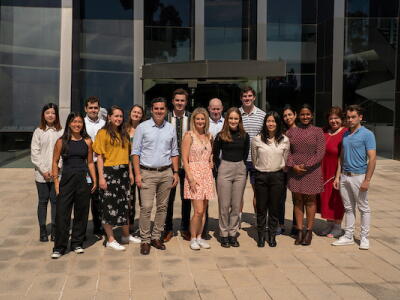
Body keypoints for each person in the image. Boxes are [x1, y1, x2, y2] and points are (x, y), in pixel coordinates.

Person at [132, 97, 179, 255]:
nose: (159, 111)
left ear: (166, 110)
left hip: (166, 173)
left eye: (162, 108)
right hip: (147, 173)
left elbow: (174, 152)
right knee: (145, 208)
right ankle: (145, 240)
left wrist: (176, 172)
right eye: (156, 108)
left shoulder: (171, 128)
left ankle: (156, 237)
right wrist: (137, 174)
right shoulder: (142, 128)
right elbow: (135, 152)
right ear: (151, 110)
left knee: (162, 207)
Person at [50, 112, 96, 258]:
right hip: (67, 180)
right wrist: (56, 182)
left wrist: (94, 180)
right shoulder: (61, 141)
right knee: (62, 214)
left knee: (81, 213)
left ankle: (77, 243)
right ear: (69, 123)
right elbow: (54, 162)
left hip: (83, 179)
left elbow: (89, 162)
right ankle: (59, 247)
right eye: (74, 122)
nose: (77, 124)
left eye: (80, 122)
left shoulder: (88, 141)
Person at [332, 105, 376, 250]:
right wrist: (337, 177)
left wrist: (367, 180)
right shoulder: (345, 134)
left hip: (359, 176)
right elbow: (342, 157)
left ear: (360, 118)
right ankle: (348, 236)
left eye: (353, 117)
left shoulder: (367, 134)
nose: (350, 120)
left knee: (363, 208)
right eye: (348, 117)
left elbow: (372, 158)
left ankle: (364, 237)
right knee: (348, 208)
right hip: (345, 176)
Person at [93, 106, 136, 251]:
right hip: (109, 173)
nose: (118, 119)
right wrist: (101, 178)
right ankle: (110, 239)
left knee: (125, 205)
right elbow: (99, 157)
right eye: (115, 116)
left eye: (120, 116)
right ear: (109, 117)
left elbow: (128, 156)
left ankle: (125, 235)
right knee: (108, 206)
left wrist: (130, 173)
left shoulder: (123, 133)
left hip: (123, 172)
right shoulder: (103, 133)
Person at [286, 104, 325, 246]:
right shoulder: (291, 132)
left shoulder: (318, 131)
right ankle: (300, 230)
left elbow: (320, 153)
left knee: (310, 201)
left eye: (308, 114)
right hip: (295, 171)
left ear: (312, 115)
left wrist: (306, 165)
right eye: (302, 114)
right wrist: (293, 165)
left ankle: (309, 231)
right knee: (297, 201)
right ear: (298, 115)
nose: (305, 117)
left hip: (312, 171)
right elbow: (287, 151)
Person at [252, 111, 289, 247]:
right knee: (261, 208)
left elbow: (285, 159)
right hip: (261, 176)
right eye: (268, 121)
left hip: (277, 176)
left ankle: (272, 236)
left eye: (273, 121)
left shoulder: (284, 140)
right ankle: (261, 236)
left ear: (278, 123)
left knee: (274, 208)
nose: (271, 124)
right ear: (265, 123)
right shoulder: (257, 139)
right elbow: (254, 158)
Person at [213, 108, 249, 248]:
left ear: (239, 120)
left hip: (240, 169)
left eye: (236, 119)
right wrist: (219, 171)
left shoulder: (245, 136)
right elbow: (215, 155)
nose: (233, 121)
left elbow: (246, 154)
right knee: (224, 205)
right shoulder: (221, 135)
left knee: (235, 205)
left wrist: (242, 167)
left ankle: (232, 234)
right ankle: (223, 234)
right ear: (227, 120)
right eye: (231, 118)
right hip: (225, 170)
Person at [181, 108, 215, 250]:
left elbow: (210, 153)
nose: (200, 121)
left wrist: (211, 160)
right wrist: (190, 178)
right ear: (193, 120)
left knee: (205, 209)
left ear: (206, 121)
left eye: (202, 119)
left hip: (206, 173)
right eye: (197, 119)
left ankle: (200, 237)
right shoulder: (189, 135)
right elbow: (184, 158)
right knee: (198, 210)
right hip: (194, 174)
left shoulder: (209, 136)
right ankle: (193, 238)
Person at [31, 103, 63, 242]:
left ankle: (55, 230)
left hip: (57, 174)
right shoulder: (38, 131)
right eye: (48, 113)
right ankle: (43, 230)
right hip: (41, 174)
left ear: (56, 115)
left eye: (53, 113)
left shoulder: (61, 131)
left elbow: (63, 152)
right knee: (43, 202)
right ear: (43, 115)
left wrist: (57, 168)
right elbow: (34, 153)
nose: (51, 115)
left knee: (56, 202)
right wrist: (44, 170)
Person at [163, 89, 192, 242]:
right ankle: (167, 229)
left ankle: (185, 228)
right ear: (173, 101)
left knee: (186, 198)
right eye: (177, 100)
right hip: (169, 165)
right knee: (169, 199)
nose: (180, 103)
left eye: (183, 100)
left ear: (186, 102)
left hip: (187, 166)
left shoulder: (192, 118)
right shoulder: (166, 118)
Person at [319, 107, 347, 238]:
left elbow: (343, 156)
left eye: (336, 118)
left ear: (342, 119)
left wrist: (338, 176)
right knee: (325, 198)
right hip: (323, 171)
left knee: (336, 200)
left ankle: (337, 226)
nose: (333, 121)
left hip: (335, 172)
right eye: (331, 118)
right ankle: (329, 224)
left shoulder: (345, 133)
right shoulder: (324, 132)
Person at [239, 87, 266, 220]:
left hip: (257, 160)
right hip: (240, 160)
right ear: (241, 98)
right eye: (245, 96)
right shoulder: (236, 114)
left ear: (254, 97)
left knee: (258, 192)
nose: (247, 98)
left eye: (250, 96)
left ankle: (258, 219)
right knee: (238, 192)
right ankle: (237, 219)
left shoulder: (262, 115)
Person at [84, 96, 106, 240]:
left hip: (99, 165)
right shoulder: (80, 123)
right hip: (84, 166)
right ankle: (82, 230)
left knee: (98, 199)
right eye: (91, 107)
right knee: (84, 199)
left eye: (96, 108)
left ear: (99, 109)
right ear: (86, 109)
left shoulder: (104, 124)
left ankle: (98, 227)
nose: (93, 110)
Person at [126, 105, 145, 241]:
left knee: (143, 199)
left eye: (139, 113)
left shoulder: (144, 128)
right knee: (129, 199)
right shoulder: (124, 129)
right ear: (130, 113)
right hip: (126, 168)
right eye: (134, 112)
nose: (136, 114)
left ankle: (143, 227)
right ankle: (130, 226)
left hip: (142, 167)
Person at [281, 105, 297, 236]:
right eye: (285, 116)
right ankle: (280, 224)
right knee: (280, 198)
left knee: (296, 198)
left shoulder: (301, 131)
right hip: (282, 170)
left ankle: (297, 225)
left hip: (295, 169)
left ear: (295, 115)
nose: (287, 118)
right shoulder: (282, 131)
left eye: (290, 114)